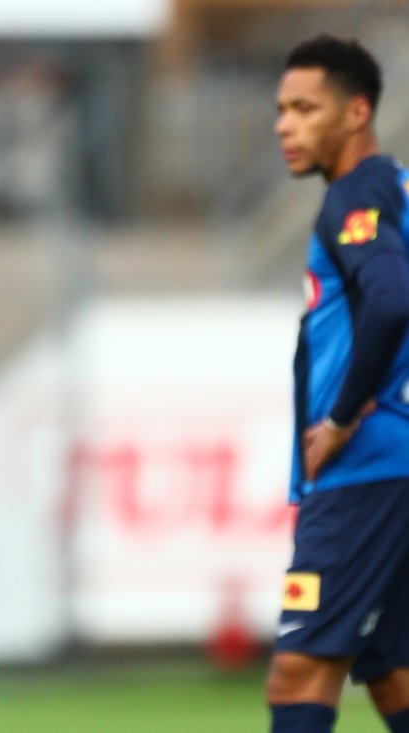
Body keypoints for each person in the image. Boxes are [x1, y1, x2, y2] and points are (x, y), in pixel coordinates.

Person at [267, 34, 409, 733]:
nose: (284, 125)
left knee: (300, 666)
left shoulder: (356, 193)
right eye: (281, 109)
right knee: (392, 663)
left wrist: (344, 417)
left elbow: (389, 298)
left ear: (356, 113)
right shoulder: (396, 190)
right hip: (398, 464)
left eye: (304, 107)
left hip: (368, 467)